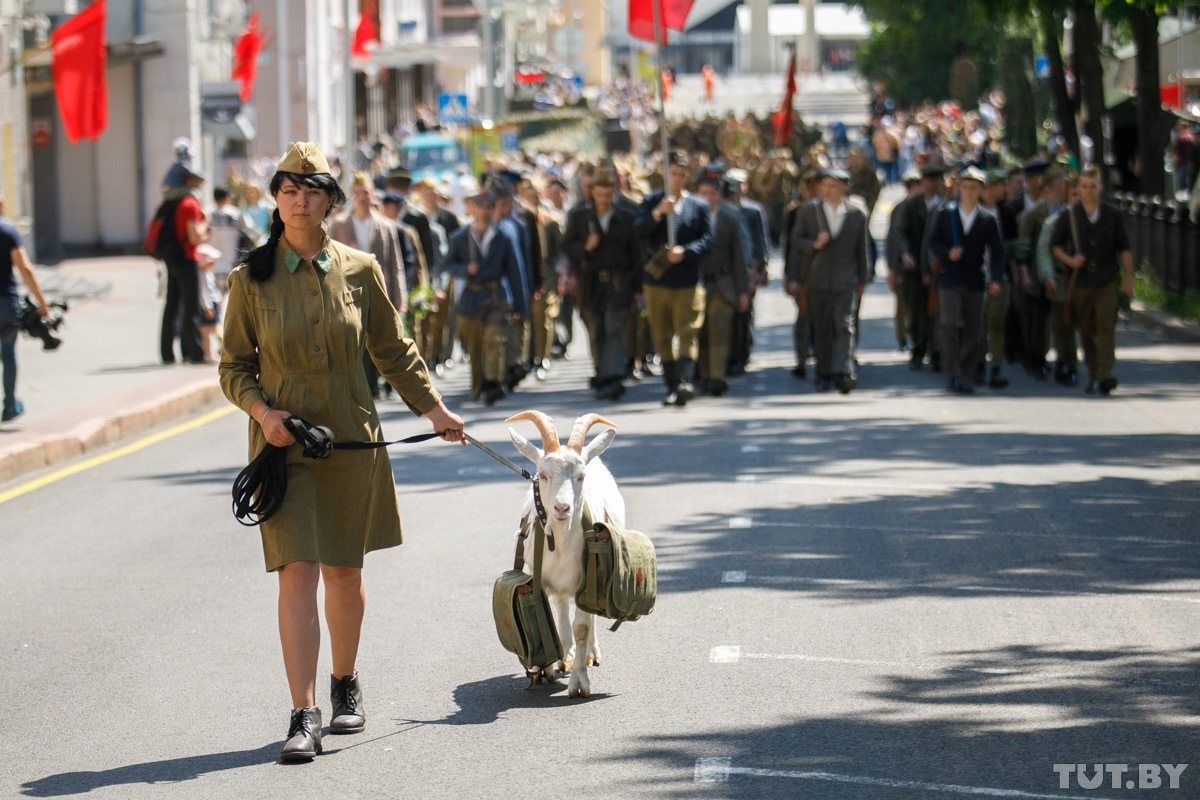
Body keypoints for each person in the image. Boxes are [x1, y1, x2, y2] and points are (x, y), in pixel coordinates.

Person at [218, 142, 465, 763]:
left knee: (345, 571)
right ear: (275, 199)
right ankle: (303, 713)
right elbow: (233, 367)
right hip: (283, 444)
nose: (300, 202)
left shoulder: (359, 268)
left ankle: (344, 682)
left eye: (312, 192)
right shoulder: (249, 278)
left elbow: (393, 348)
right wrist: (263, 413)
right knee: (296, 569)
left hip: (350, 436)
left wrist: (434, 412)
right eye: (288, 191)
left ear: (330, 201)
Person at [633, 151, 715, 406]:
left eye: (682, 174)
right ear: (664, 173)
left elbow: (708, 240)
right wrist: (658, 213)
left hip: (687, 279)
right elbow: (637, 232)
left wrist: (686, 252)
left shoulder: (697, 206)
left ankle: (685, 381)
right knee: (661, 333)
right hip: (657, 282)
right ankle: (670, 384)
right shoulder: (650, 201)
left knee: (688, 330)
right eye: (673, 174)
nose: (677, 179)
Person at [1049, 165, 1134, 396]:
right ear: (1078, 188)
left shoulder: (1113, 214)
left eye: (1092, 186)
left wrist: (1129, 280)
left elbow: (1124, 248)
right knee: (1086, 329)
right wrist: (1070, 259)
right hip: (1081, 279)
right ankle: (1094, 373)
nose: (1088, 191)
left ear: (1100, 187)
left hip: (1107, 276)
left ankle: (1105, 374)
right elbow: (1055, 245)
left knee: (1105, 324)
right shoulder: (1070, 215)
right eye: (1084, 187)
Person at [562, 167, 643, 400]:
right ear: (592, 193)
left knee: (614, 327)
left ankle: (615, 375)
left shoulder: (626, 216)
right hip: (592, 284)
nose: (603, 200)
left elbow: (636, 256)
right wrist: (584, 248)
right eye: (599, 195)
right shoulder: (580, 217)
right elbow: (566, 246)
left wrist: (637, 289)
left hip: (618, 283)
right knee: (597, 329)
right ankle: (601, 373)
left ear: (614, 193)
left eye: (608, 196)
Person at [925, 166, 1007, 394]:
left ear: (981, 190)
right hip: (950, 279)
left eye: (974, 188)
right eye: (965, 187)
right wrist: (946, 253)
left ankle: (967, 375)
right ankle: (951, 373)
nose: (969, 191)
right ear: (959, 188)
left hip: (975, 280)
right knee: (950, 325)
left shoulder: (987, 219)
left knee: (973, 329)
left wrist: (997, 279)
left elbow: (998, 252)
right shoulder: (945, 213)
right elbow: (932, 242)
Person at [786, 168, 869, 394]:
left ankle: (844, 371)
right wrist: (814, 244)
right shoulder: (808, 211)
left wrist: (863, 277)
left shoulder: (856, 214)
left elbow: (862, 249)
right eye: (825, 185)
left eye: (834, 185)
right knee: (821, 327)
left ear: (845, 187)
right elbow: (795, 240)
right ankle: (823, 373)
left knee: (844, 324)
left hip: (845, 279)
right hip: (817, 279)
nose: (828, 189)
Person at [328, 172, 410, 398]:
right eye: (357, 193)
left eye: (366, 192)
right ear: (351, 196)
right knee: (357, 339)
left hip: (379, 288)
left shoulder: (386, 225)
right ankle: (366, 385)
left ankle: (379, 381)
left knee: (380, 336)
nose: (362, 197)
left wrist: (400, 297)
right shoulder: (339, 225)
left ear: (372, 194)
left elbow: (396, 264)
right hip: (348, 290)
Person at [445, 189, 527, 404]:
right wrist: (464, 269)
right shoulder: (459, 237)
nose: (484, 211)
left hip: (495, 298)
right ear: (472, 208)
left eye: (489, 207)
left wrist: (520, 306)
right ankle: (478, 386)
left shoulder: (503, 237)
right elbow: (447, 264)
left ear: (494, 208)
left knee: (494, 341)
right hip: (470, 298)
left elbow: (515, 271)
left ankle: (493, 383)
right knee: (473, 346)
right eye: (480, 206)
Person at [696, 166, 749, 397]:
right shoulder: (687, 214)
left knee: (719, 330)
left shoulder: (730, 216)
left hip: (723, 283)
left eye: (713, 193)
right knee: (699, 331)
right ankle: (703, 375)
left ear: (720, 195)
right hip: (696, 283)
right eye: (704, 193)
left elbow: (739, 255)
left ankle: (717, 376)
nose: (708, 198)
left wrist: (743, 290)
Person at [0, 199, 51, 422]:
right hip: (6, 303)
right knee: (8, 353)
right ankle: (10, 405)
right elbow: (25, 269)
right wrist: (41, 302)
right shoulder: (8, 230)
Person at [160, 165, 211, 365]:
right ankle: (194, 353)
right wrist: (205, 225)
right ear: (187, 181)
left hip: (171, 257)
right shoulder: (189, 204)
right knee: (191, 307)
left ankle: (167, 354)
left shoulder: (167, 203)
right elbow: (194, 237)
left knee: (171, 304)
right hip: (187, 258)